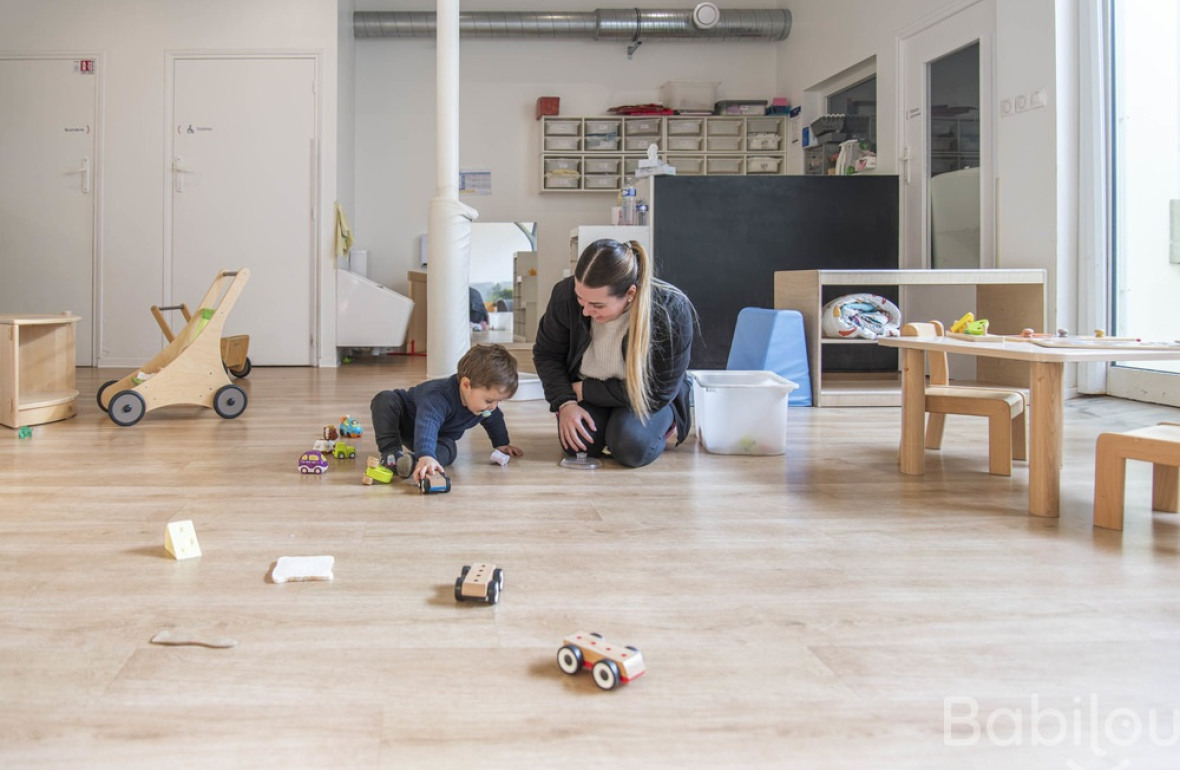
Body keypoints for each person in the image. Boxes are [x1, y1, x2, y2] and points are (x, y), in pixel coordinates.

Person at [532, 238, 695, 468]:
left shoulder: (670, 309)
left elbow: (658, 391)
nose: (586, 311)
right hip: (585, 391)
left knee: (630, 445)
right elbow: (547, 354)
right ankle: (609, 424)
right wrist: (565, 403)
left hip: (645, 396)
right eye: (581, 299)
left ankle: (653, 425)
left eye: (598, 305)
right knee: (579, 445)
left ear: (630, 293)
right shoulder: (564, 295)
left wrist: (586, 390)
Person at [369, 343, 523, 483]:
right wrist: (426, 453)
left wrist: (501, 443)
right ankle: (391, 453)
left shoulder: (484, 407)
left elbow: (495, 420)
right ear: (466, 385)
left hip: (438, 437)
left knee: (449, 449)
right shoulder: (439, 396)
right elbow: (427, 422)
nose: (493, 407)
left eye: (498, 402)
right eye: (490, 401)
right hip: (405, 420)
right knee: (385, 399)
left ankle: (413, 463)